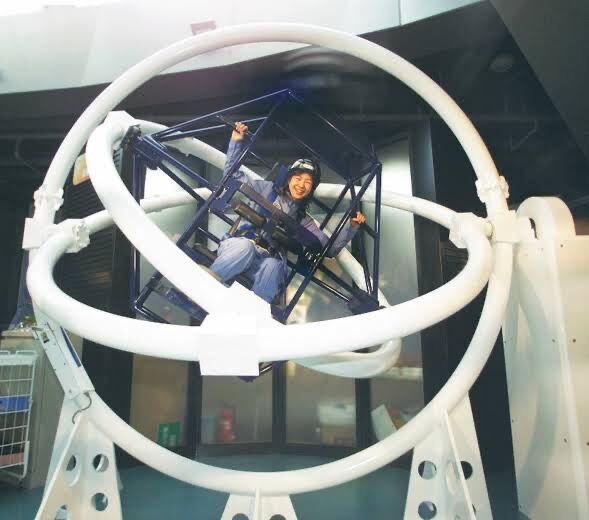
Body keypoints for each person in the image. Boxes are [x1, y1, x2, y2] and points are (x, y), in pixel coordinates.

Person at [209, 122, 366, 303]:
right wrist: (236, 142)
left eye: (308, 183)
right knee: (246, 247)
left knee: (274, 266)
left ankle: (258, 311)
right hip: (238, 248)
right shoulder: (265, 189)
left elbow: (327, 249)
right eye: (298, 178)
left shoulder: (303, 220)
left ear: (311, 189)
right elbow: (234, 177)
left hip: (265, 260)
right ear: (289, 179)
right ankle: (207, 286)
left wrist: (351, 228)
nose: (301, 185)